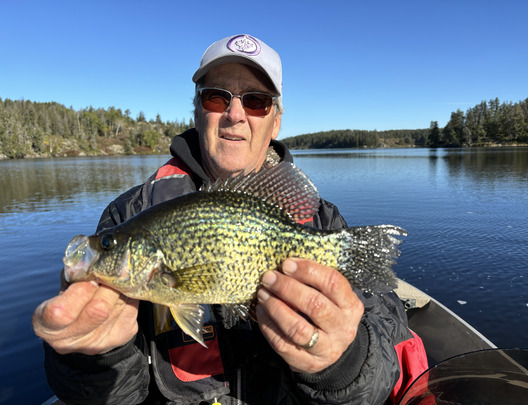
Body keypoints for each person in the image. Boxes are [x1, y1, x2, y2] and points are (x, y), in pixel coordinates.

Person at [33, 34, 428, 405]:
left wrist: (343, 363)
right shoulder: (130, 214)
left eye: (256, 101)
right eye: (217, 98)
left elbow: (388, 353)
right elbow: (113, 395)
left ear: (276, 121)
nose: (235, 114)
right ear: (197, 110)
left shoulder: (321, 223)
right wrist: (94, 357)